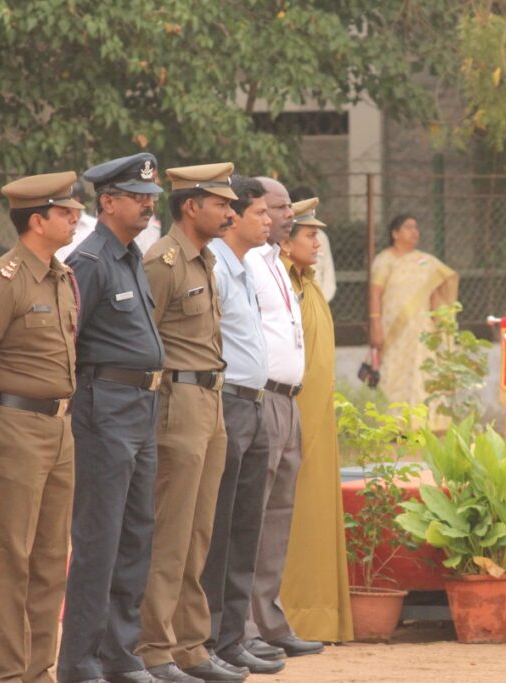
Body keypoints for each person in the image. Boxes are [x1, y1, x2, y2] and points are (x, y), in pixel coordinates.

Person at [0, 172, 83, 683]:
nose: (76, 219)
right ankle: (5, 673)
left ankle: (38, 670)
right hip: (11, 424)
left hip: (59, 427)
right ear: (37, 220)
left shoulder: (61, 276)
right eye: (65, 213)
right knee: (10, 555)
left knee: (52, 555)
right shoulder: (3, 280)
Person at [56, 153, 166, 683]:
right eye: (137, 197)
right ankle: (81, 661)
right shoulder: (91, 261)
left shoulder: (130, 255)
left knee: (136, 535)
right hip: (106, 408)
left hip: (142, 408)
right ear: (107, 202)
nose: (147, 205)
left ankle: (122, 654)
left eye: (150, 198)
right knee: (100, 538)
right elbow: (66, 345)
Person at [137, 163, 248, 683]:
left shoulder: (203, 259)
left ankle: (190, 645)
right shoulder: (162, 261)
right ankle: (154, 648)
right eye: (221, 204)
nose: (230, 212)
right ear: (190, 206)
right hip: (176, 399)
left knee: (200, 531)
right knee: (171, 531)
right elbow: (142, 339)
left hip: (211, 400)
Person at [241, 177, 323, 662]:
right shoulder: (247, 263)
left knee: (277, 518)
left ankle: (270, 622)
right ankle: (243, 627)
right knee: (251, 514)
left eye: (289, 206)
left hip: (288, 401)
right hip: (259, 399)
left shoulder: (277, 263)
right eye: (278, 206)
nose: (288, 215)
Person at [201, 176, 280, 675]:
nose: (269, 220)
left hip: (255, 403)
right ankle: (206, 636)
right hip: (227, 402)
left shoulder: (246, 268)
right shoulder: (214, 269)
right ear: (234, 219)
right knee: (218, 525)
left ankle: (233, 635)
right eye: (259, 213)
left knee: (247, 523)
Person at [278, 197, 354, 642]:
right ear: (286, 243)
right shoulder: (282, 284)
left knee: (319, 512)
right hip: (294, 415)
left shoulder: (308, 284)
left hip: (319, 419)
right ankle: (295, 614)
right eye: (310, 235)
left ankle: (321, 615)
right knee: (293, 515)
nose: (318, 244)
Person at [368, 214, 458, 411]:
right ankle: (393, 423)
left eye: (416, 227)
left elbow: (435, 289)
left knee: (423, 372)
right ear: (395, 233)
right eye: (408, 227)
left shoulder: (425, 261)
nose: (414, 231)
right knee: (393, 373)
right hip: (393, 330)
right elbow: (375, 294)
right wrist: (375, 325)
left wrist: (439, 321)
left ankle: (423, 421)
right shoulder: (385, 260)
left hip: (422, 331)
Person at [56, 179, 160, 263]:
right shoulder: (89, 262)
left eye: (151, 196)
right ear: (108, 203)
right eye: (139, 196)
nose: (150, 204)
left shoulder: (134, 255)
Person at [288, 186, 335, 303]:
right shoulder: (285, 236)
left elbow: (329, 276)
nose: (316, 244)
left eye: (312, 208)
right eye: (310, 236)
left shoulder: (321, 237)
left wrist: (320, 301)